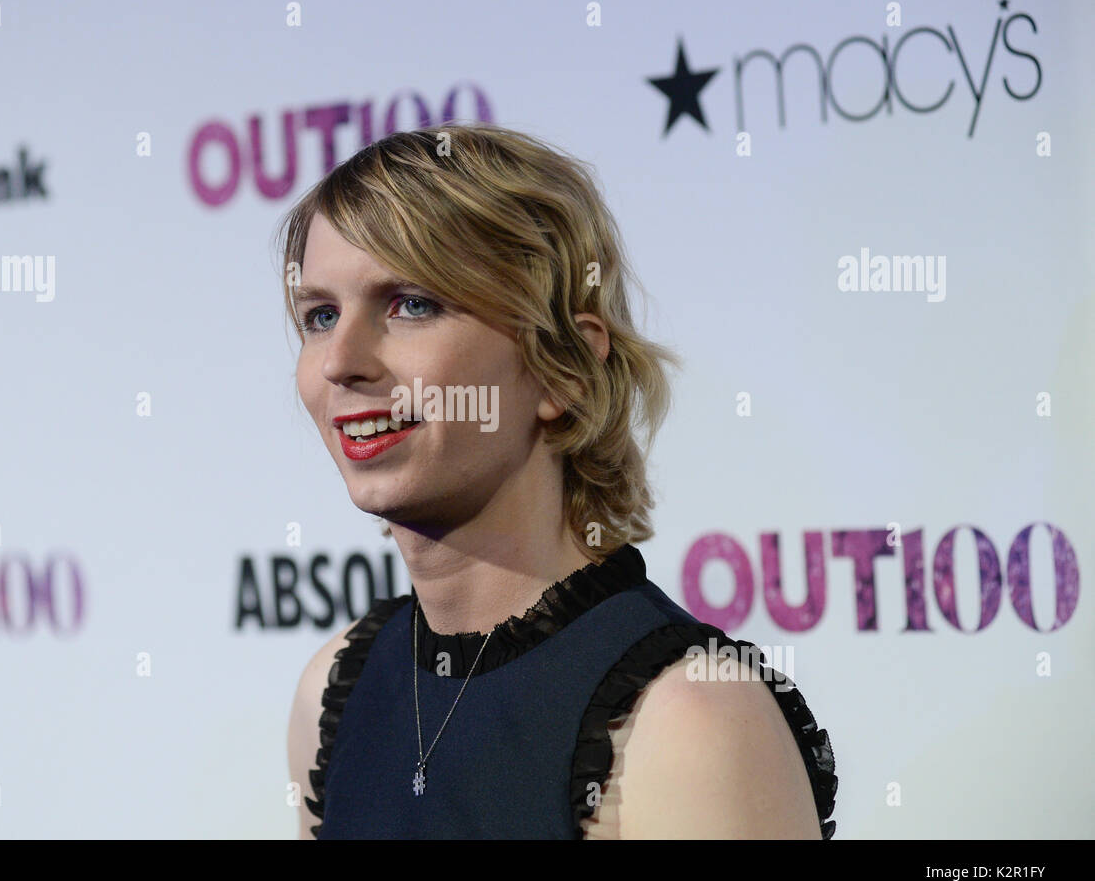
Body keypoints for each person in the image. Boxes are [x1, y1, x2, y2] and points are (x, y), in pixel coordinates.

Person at [279, 121, 837, 839]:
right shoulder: (335, 689)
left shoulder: (686, 720)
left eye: (412, 303)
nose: (340, 360)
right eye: (320, 315)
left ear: (561, 368)